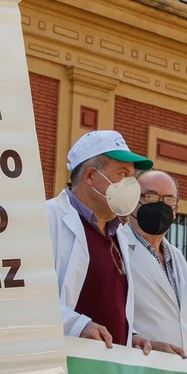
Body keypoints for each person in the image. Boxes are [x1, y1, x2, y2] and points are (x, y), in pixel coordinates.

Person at [47, 130, 152, 347]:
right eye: (122, 174)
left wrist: (130, 336)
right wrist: (77, 326)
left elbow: (112, 304)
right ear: (90, 176)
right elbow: (24, 297)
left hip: (107, 372)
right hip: (66, 365)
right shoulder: (46, 219)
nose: (131, 185)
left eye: (132, 177)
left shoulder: (118, 234)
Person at [118, 169, 187, 359]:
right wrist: (134, 339)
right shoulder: (116, 248)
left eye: (169, 200)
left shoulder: (178, 257)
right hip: (137, 368)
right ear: (132, 200)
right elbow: (108, 313)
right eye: (151, 197)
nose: (161, 206)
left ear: (176, 210)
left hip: (181, 373)